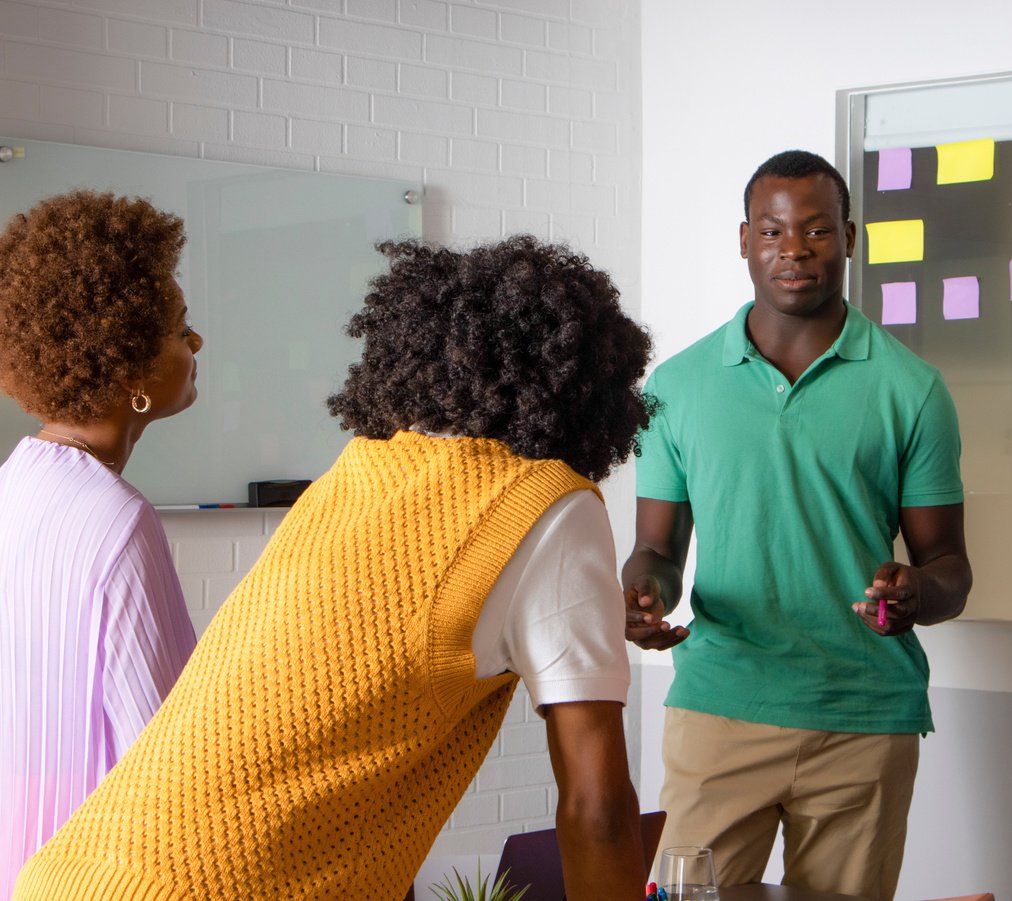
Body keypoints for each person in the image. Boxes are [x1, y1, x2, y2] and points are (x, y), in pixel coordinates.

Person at [16, 236, 653, 901]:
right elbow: (597, 811)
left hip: (68, 875)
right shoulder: (546, 502)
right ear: (586, 385)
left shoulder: (357, 471)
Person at [624, 150, 972, 899]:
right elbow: (654, 549)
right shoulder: (677, 387)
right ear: (744, 239)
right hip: (721, 704)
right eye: (775, 231)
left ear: (849, 237)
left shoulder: (910, 390)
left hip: (863, 716)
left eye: (815, 231)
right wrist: (643, 595)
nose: (794, 249)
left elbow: (949, 566)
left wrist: (914, 591)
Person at [0, 190, 202, 898]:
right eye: (181, 327)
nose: (197, 343)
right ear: (130, 372)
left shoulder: (13, 487)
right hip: (93, 874)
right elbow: (173, 759)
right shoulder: (116, 520)